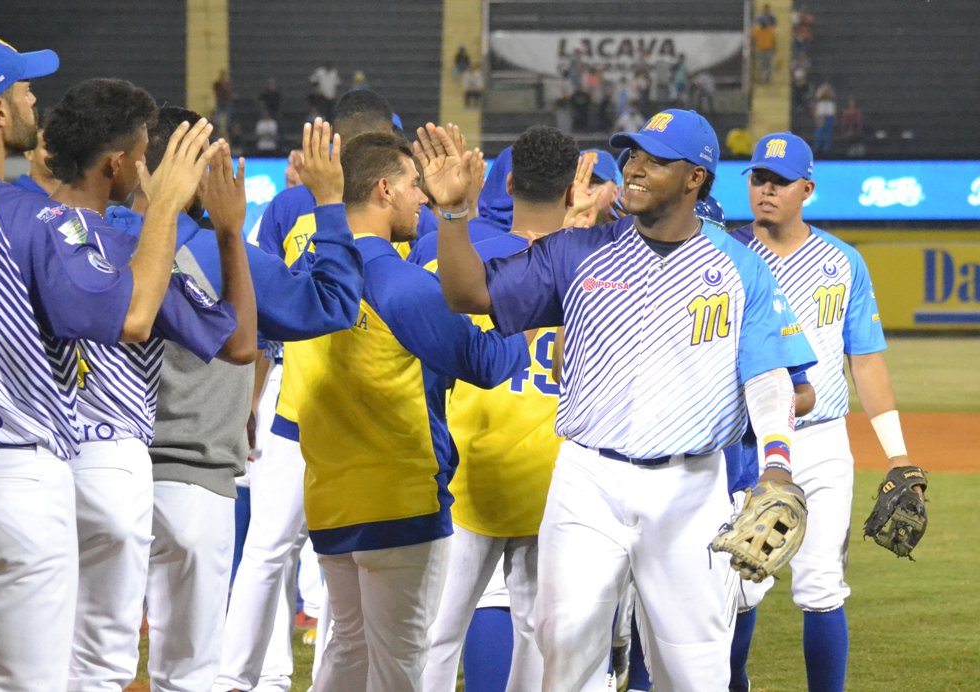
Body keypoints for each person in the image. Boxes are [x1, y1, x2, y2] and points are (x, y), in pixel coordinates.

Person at [429, 109, 817, 690]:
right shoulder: (576, 252)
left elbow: (769, 377)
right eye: (632, 155)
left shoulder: (740, 268)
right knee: (566, 661)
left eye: (655, 160)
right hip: (587, 479)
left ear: (695, 178)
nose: (633, 169)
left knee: (696, 670)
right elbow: (468, 293)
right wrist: (455, 215)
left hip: (690, 487)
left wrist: (778, 467)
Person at [0, 35, 219, 691]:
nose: (31, 97)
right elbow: (126, 318)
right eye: (20, 88)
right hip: (13, 472)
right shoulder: (39, 218)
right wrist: (161, 208)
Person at [102, 110, 360, 691]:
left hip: (98, 475)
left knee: (84, 664)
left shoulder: (89, 235)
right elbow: (333, 305)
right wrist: (328, 201)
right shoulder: (224, 253)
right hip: (193, 483)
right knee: (188, 674)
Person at [41, 77, 257, 691]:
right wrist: (228, 231)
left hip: (21, 459)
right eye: (141, 151)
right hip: (114, 464)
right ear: (117, 162)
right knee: (111, 665)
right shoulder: (139, 243)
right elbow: (240, 343)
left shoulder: (12, 224)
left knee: (27, 662)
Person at [294, 129, 529, 692]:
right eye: (412, 187)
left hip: (328, 496)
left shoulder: (309, 265)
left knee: (347, 648)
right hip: (398, 499)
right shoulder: (398, 282)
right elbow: (487, 362)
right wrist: (532, 307)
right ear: (383, 190)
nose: (420, 198)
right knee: (403, 668)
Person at [216, 91, 430, 692]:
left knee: (268, 552)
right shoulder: (412, 212)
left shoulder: (288, 206)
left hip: (297, 400)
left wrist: (249, 399)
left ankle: (245, 677)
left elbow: (251, 303)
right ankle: (297, 676)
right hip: (370, 406)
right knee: (348, 569)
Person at [728, 132, 925, 692]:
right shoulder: (724, 254)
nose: (766, 190)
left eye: (780, 181)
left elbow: (865, 363)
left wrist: (899, 455)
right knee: (739, 585)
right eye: (758, 178)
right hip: (748, 443)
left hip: (822, 444)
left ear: (807, 189)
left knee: (821, 586)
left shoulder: (843, 263)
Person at [421, 125, 581, 692]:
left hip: (471, 476)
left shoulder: (466, 263)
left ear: (507, 182)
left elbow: (428, 367)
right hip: (555, 481)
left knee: (437, 635)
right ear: (570, 191)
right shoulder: (595, 269)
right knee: (539, 632)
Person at [14, 124, 58, 194]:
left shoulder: (76, 192)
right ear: (29, 153)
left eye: (60, 148)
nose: (56, 153)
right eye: (48, 148)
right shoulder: (16, 194)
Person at [751, 17, 777, 84]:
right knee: (760, 65)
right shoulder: (757, 30)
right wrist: (753, 47)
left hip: (768, 50)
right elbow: (753, 39)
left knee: (768, 65)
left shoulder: (770, 31)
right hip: (760, 50)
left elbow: (774, 41)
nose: (764, 25)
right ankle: (760, 79)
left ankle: (767, 79)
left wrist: (774, 49)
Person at [813, 84, 837, 154]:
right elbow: (817, 112)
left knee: (828, 134)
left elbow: (833, 112)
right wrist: (819, 119)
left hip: (829, 118)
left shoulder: (831, 103)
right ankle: (817, 148)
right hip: (821, 117)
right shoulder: (819, 103)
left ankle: (827, 149)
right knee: (819, 133)